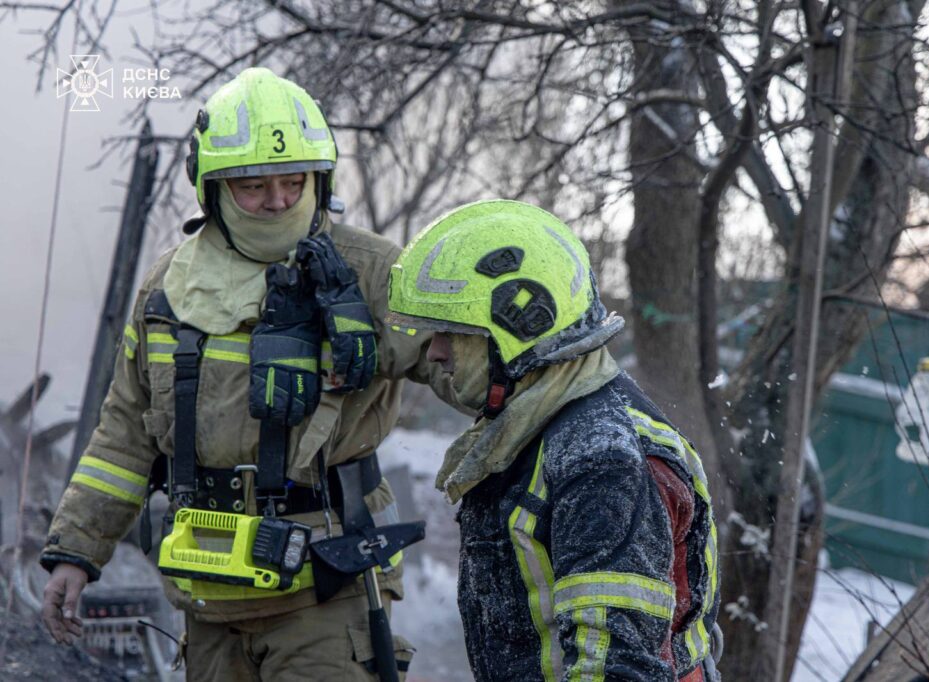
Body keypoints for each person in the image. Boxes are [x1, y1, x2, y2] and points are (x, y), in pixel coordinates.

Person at [39, 67, 457, 681]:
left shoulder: (368, 271)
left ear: (320, 177)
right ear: (211, 187)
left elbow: (463, 370)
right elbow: (124, 435)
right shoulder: (166, 290)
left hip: (328, 585)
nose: (279, 202)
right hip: (207, 589)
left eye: (294, 182)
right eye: (253, 187)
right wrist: (76, 550)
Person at [386, 199, 723, 681]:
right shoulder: (540, 425)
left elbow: (615, 670)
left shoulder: (602, 462)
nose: (436, 352)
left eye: (451, 332)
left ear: (520, 327)